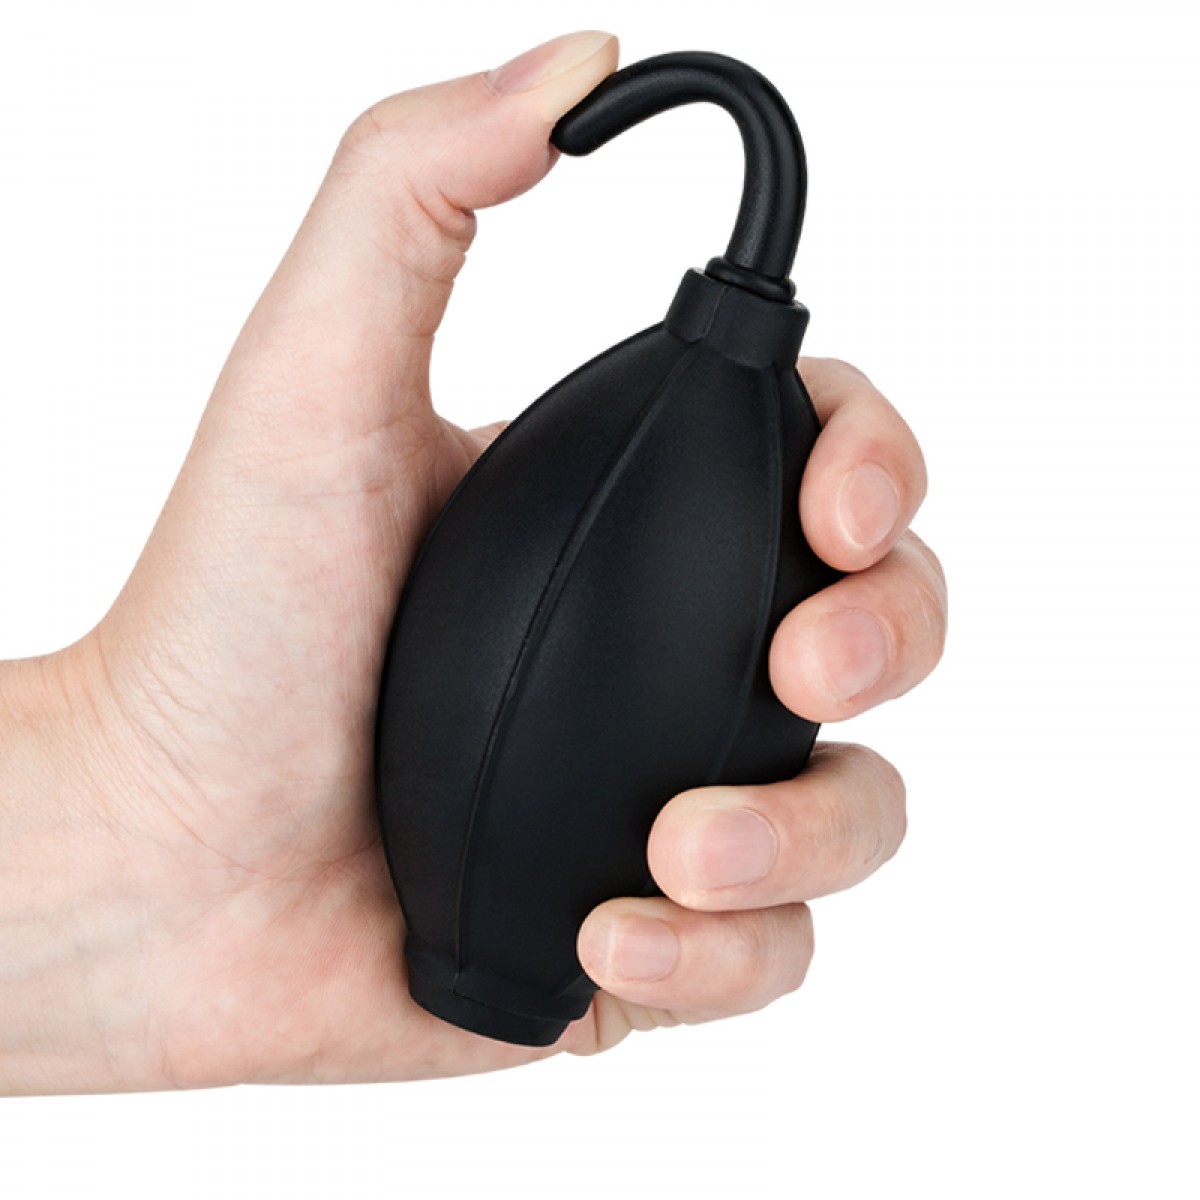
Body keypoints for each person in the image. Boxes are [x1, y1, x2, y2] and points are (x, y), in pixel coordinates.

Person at [0, 31, 946, 1094]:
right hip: (419, 901)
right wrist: (135, 808)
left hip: (435, 914)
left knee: (822, 628)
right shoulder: (709, 435)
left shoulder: (712, 438)